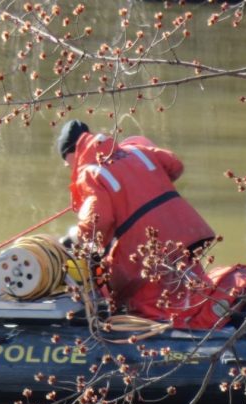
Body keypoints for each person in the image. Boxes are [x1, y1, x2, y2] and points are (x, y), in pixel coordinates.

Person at [57, 120, 217, 328]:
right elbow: (174, 164)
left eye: (66, 161)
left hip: (143, 251)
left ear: (71, 152)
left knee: (151, 304)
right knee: (188, 287)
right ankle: (211, 317)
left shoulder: (89, 172)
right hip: (183, 232)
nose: (68, 166)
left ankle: (174, 331)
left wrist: (74, 237)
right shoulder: (136, 151)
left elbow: (99, 220)